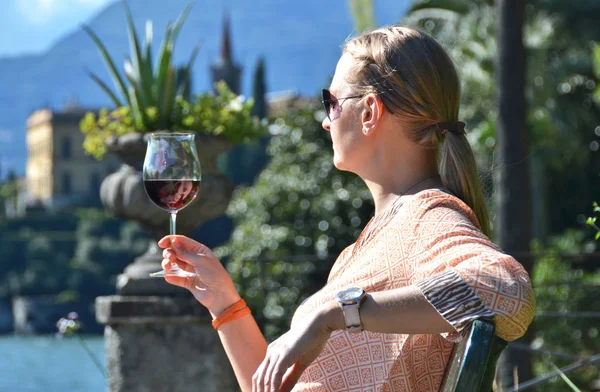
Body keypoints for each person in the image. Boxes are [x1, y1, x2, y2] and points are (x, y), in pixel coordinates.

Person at [158, 25, 535, 392]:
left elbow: (507, 289)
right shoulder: (381, 235)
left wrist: (336, 314)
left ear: (370, 111)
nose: (324, 121)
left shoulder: (428, 219)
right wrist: (224, 302)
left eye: (331, 103)